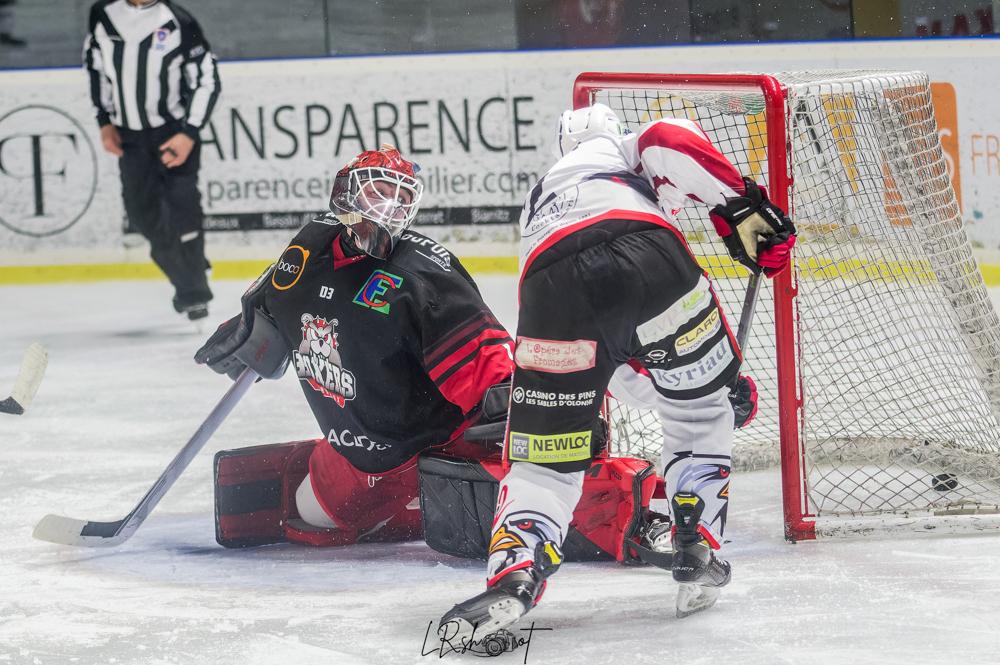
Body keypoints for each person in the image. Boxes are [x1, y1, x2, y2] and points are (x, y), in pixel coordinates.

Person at [441, 104, 795, 636]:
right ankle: (694, 539)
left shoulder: (539, 202)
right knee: (700, 413)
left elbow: (605, 362)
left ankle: (514, 577)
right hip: (651, 257)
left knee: (543, 463)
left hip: (550, 291)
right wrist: (740, 204)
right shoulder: (623, 150)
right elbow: (667, 138)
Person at [195, 145, 515, 545]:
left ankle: (422, 491)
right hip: (358, 449)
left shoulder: (422, 274)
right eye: (380, 191)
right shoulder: (311, 243)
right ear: (347, 191)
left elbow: (489, 364)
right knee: (307, 508)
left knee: (316, 514)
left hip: (432, 445)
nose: (390, 208)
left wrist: (524, 409)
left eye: (402, 199)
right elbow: (276, 296)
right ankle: (411, 498)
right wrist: (250, 326)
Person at [84, 0, 220, 320]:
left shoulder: (179, 22)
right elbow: (95, 66)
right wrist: (104, 120)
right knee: (141, 214)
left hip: (172, 133)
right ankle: (189, 273)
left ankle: (194, 291)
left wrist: (189, 132)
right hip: (129, 139)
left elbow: (207, 79)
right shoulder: (103, 13)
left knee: (183, 208)